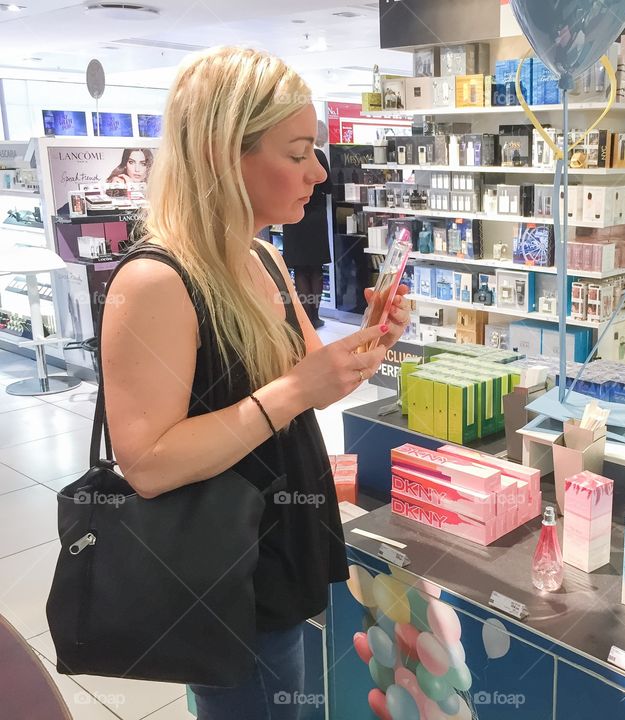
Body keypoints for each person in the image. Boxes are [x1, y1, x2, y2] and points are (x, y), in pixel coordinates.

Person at [99, 47, 410, 719]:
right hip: (223, 572)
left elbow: (315, 382)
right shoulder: (157, 281)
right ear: (221, 153)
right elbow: (147, 463)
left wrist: (375, 337)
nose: (318, 172)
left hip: (279, 550)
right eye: (297, 153)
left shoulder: (260, 258)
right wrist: (296, 390)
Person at [281, 122, 333, 328]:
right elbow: (328, 187)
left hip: (293, 218)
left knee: (300, 270)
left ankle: (305, 316)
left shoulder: (290, 155)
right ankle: (316, 315)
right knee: (316, 269)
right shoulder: (319, 156)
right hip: (315, 219)